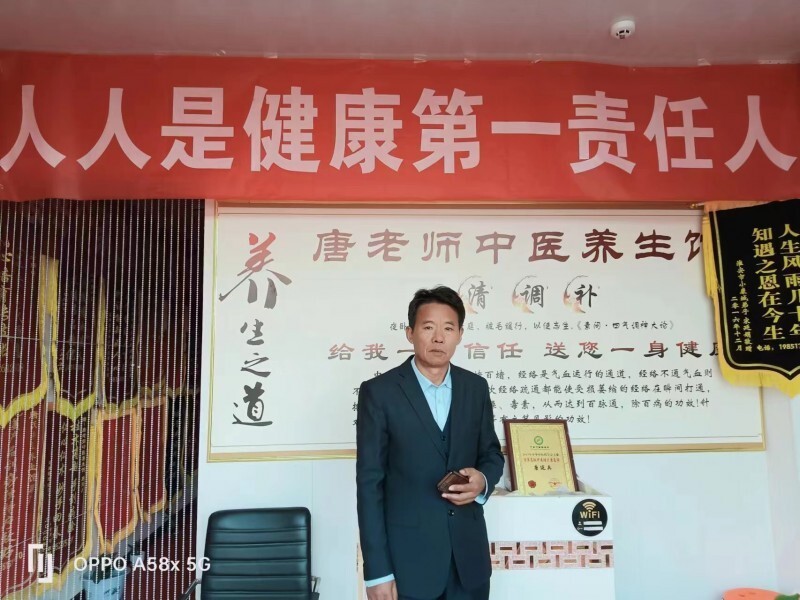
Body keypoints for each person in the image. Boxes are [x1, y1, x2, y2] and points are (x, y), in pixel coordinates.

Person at [356, 286, 504, 600]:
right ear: (410, 333)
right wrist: (378, 572)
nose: (439, 338)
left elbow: (491, 453)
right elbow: (369, 485)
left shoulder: (475, 387)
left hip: (469, 564)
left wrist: (483, 481)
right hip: (408, 564)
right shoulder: (379, 392)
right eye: (428, 327)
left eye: (448, 328)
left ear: (460, 334)